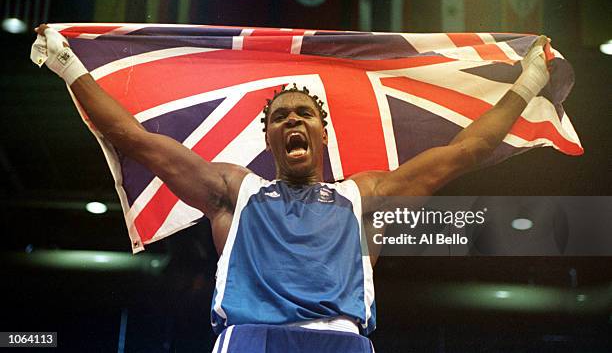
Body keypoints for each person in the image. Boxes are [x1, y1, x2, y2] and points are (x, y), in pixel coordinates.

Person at [32, 24, 551, 352]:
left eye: (304, 113)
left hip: (341, 341)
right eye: (281, 116)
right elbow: (133, 138)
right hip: (248, 340)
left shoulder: (364, 197)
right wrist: (67, 64)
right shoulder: (232, 191)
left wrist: (527, 84)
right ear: (269, 135)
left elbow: (467, 152)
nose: (293, 120)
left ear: (322, 131)